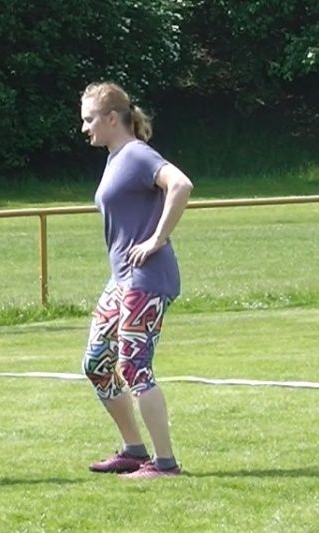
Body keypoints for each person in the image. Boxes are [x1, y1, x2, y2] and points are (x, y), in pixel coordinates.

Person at [79, 81, 193, 479]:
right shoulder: (115, 158)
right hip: (122, 280)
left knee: (134, 367)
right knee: (96, 362)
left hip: (146, 278)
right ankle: (132, 449)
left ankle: (165, 464)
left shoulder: (138, 154)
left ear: (112, 118)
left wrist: (156, 240)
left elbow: (181, 185)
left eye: (89, 119)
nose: (84, 127)